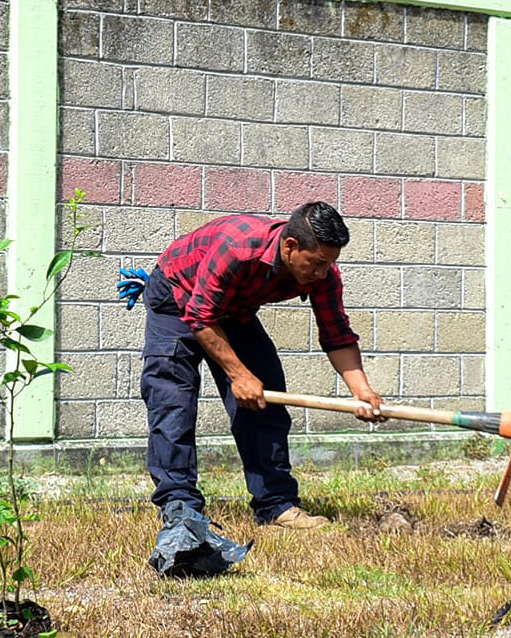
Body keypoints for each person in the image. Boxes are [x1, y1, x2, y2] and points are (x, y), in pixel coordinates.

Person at [136, 201, 382, 533]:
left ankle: (276, 506)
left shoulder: (322, 272)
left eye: (330, 263)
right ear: (291, 246)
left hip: (233, 310)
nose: (324, 272)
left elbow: (336, 334)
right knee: (172, 402)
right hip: (176, 296)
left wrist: (361, 391)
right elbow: (199, 316)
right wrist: (238, 375)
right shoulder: (237, 248)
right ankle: (180, 509)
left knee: (266, 399)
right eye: (318, 263)